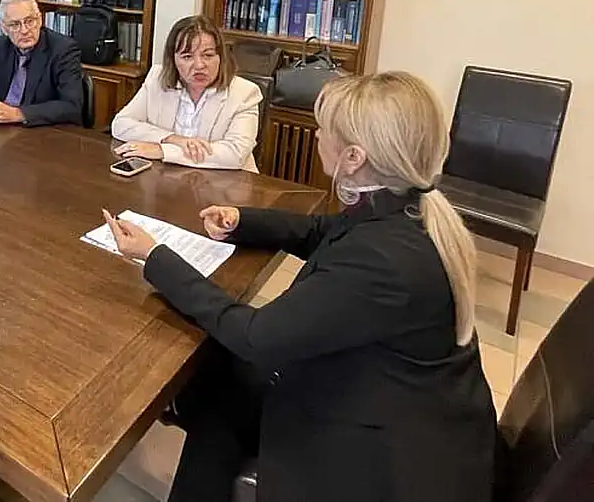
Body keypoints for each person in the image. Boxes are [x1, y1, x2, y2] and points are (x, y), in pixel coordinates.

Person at [102, 71, 497, 502]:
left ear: (354, 157)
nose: (317, 135)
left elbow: (257, 336)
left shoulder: (385, 259)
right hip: (387, 394)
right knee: (221, 389)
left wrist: (155, 257)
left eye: (324, 129)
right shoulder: (401, 205)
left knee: (227, 370)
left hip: (383, 451)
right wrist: (243, 221)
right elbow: (324, 231)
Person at [110, 15, 262, 171]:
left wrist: (163, 150)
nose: (199, 65)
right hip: (169, 177)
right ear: (173, 60)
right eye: (187, 56)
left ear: (221, 57)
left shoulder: (245, 93)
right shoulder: (157, 78)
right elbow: (121, 124)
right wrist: (173, 139)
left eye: (208, 55)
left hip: (227, 182)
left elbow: (235, 154)